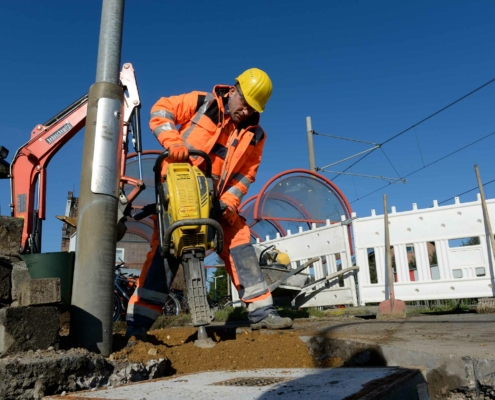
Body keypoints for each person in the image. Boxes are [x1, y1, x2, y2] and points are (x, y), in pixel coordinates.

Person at [126, 68, 292, 339]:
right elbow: (161, 110)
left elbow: (245, 175)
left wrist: (229, 201)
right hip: (179, 191)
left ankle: (262, 313)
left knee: (239, 238)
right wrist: (173, 141)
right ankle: (137, 326)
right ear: (234, 90)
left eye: (253, 108)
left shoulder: (256, 136)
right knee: (166, 251)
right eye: (245, 104)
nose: (246, 112)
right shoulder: (203, 103)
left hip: (216, 200)